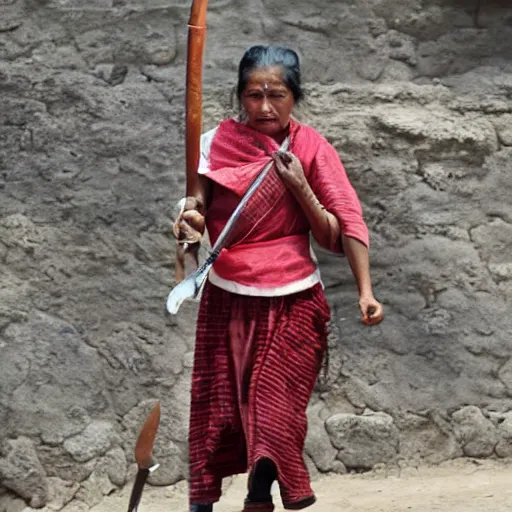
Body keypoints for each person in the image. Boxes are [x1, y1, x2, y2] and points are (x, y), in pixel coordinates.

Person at [173, 45, 384, 512]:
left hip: (295, 301)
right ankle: (202, 506)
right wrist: (187, 222)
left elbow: (340, 228)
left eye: (277, 95)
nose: (265, 107)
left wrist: (365, 291)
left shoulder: (310, 148)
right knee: (218, 409)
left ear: (294, 97)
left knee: (274, 409)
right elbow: (196, 207)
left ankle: (258, 497)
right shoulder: (213, 144)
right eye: (253, 95)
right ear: (240, 97)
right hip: (229, 298)